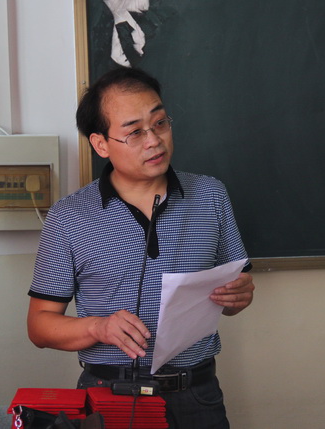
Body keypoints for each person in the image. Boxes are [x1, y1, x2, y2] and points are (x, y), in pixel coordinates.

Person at [26, 66, 254, 429]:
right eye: (134, 132)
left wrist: (239, 296)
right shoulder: (68, 217)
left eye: (160, 123)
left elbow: (233, 296)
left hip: (197, 393)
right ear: (101, 144)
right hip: (110, 396)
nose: (153, 141)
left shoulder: (211, 196)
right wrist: (98, 328)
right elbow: (39, 326)